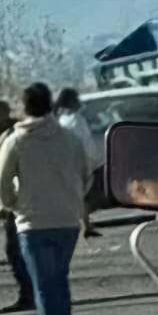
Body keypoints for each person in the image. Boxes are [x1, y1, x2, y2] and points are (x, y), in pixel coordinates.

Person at [0, 83, 93, 315]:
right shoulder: (69, 138)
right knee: (59, 280)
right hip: (66, 220)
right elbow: (87, 173)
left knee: (44, 285)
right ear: (50, 104)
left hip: (33, 222)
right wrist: (75, 198)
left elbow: (0, 184)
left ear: (23, 108)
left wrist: (14, 205)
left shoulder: (17, 141)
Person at [0, 98, 35, 313]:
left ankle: (29, 293)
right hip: (13, 203)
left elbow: (18, 172)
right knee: (17, 250)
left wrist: (8, 201)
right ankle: (30, 292)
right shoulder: (1, 137)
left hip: (19, 203)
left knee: (18, 250)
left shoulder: (14, 137)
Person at [55, 87, 104, 239]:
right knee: (83, 195)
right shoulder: (76, 120)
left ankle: (85, 224)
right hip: (80, 162)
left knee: (80, 195)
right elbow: (85, 143)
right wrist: (91, 161)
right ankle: (84, 225)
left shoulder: (61, 121)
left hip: (67, 163)